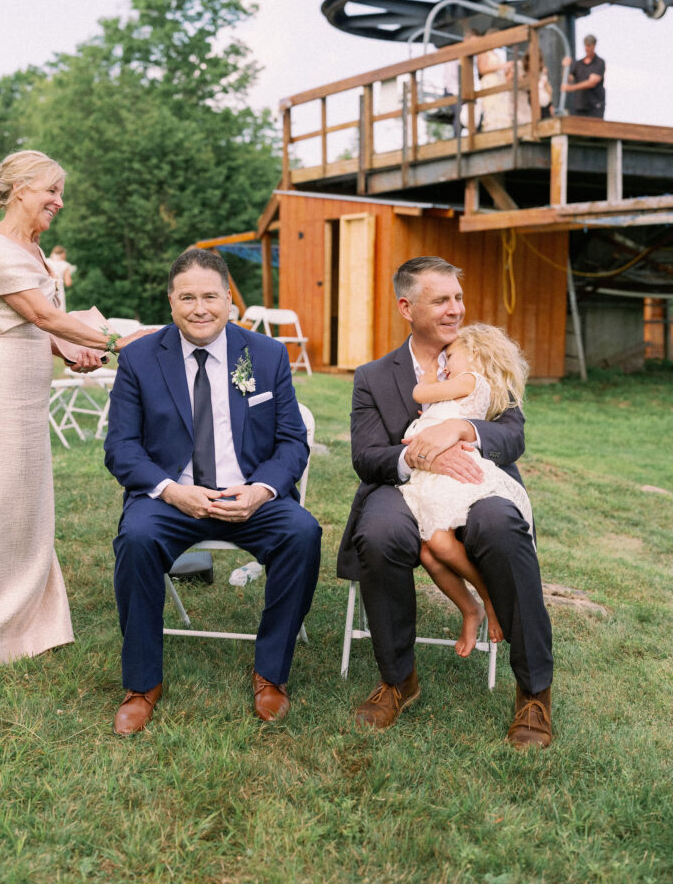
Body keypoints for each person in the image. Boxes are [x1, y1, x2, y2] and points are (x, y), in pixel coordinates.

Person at [0, 150, 148, 670]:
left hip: (27, 390)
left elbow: (34, 327)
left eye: (60, 192)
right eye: (51, 190)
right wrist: (120, 342)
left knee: (26, 500)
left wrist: (75, 350)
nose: (59, 201)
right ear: (21, 188)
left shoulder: (32, 248)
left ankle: (28, 621)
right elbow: (40, 312)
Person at [337, 256, 553, 748]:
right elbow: (367, 456)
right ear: (406, 307)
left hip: (477, 480)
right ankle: (398, 680)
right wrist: (425, 457)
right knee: (380, 533)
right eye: (441, 300)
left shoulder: (484, 357)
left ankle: (534, 693)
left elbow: (512, 435)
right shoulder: (373, 376)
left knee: (501, 526)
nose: (455, 309)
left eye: (458, 297)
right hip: (402, 487)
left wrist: (463, 428)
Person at [104, 248, 321, 735]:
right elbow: (120, 447)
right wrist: (170, 491)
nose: (199, 308)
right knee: (136, 539)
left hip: (248, 496)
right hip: (171, 499)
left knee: (302, 533)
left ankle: (270, 673)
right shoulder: (140, 358)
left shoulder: (264, 354)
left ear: (229, 300)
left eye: (209, 296)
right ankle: (141, 685)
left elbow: (291, 440)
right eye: (187, 297)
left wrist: (262, 489)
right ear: (170, 301)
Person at [400, 323, 534, 658]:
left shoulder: (471, 380)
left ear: (474, 353)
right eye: (443, 358)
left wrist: (430, 372)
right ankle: (470, 608)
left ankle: (489, 594)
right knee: (428, 552)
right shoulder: (460, 386)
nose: (445, 363)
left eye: (451, 355)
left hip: (450, 479)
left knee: (438, 543)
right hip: (428, 477)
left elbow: (420, 394)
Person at [561, 34, 605, 118]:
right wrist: (565, 67)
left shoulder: (599, 62)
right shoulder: (578, 64)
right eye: (585, 45)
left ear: (594, 46)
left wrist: (571, 88)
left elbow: (592, 83)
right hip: (579, 107)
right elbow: (568, 79)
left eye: (589, 45)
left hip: (595, 107)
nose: (586, 48)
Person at [477, 30, 513, 131]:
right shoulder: (483, 51)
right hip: (490, 82)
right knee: (492, 106)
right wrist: (502, 66)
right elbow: (482, 68)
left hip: (499, 82)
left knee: (502, 107)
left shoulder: (495, 53)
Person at [47, 244, 75, 311]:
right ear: (62, 254)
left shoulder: (46, 261)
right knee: (59, 310)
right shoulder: (64, 264)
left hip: (46, 289)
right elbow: (68, 283)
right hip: (58, 290)